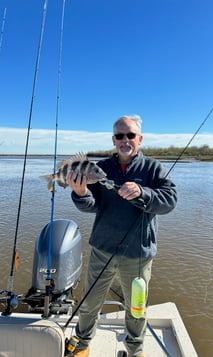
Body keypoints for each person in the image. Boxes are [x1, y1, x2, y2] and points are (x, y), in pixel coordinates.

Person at [67, 114, 177, 357]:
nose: (125, 140)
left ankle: (135, 350)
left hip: (137, 254)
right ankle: (82, 344)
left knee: (137, 308)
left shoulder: (153, 169)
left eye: (130, 135)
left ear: (140, 139)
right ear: (114, 140)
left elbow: (169, 202)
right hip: (102, 248)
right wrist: (80, 192)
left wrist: (143, 192)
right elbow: (91, 205)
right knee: (90, 303)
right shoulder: (100, 168)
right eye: (120, 136)